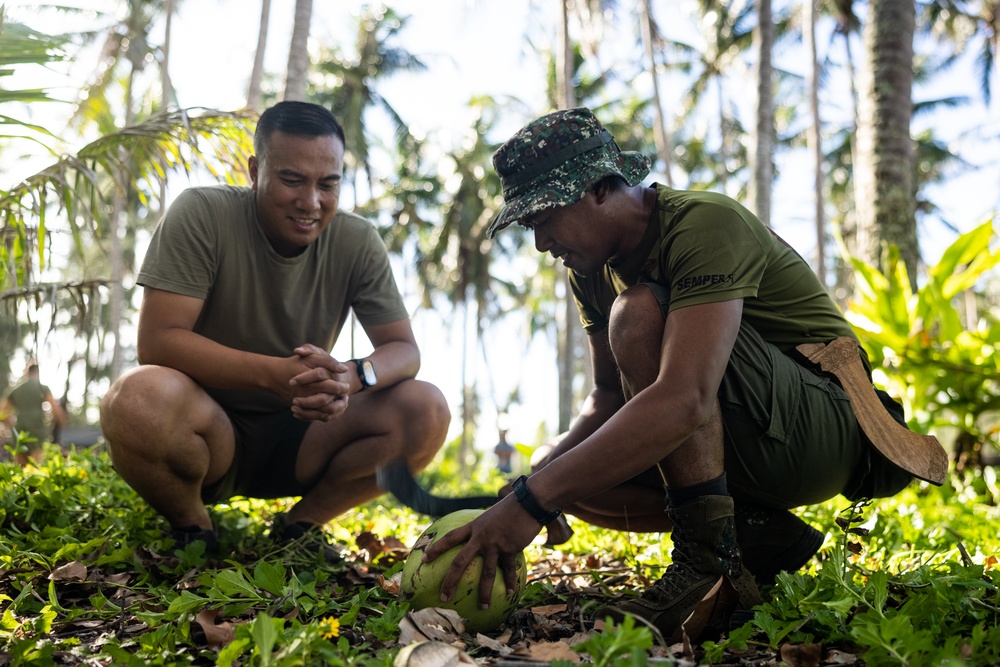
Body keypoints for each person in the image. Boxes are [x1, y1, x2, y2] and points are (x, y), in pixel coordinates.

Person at [422, 107, 914, 641]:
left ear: (598, 189)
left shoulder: (704, 224)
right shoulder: (590, 269)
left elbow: (685, 400)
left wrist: (532, 503)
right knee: (571, 480)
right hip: (754, 434)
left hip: (827, 429)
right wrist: (534, 483)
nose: (541, 243)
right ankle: (758, 538)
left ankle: (709, 566)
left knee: (637, 315)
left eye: (543, 218)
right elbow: (608, 396)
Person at [99, 101, 450, 557]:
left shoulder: (356, 240)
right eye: (291, 180)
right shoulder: (202, 213)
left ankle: (300, 526)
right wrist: (274, 375)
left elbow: (403, 349)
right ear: (254, 170)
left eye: (328, 184)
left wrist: (352, 375)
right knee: (135, 397)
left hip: (305, 437)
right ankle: (193, 528)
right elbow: (159, 340)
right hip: (207, 429)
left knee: (426, 408)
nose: (311, 202)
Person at [1, 363, 68, 466]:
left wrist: (11, 424)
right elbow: (56, 411)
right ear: (38, 373)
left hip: (19, 429)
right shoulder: (42, 388)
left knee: (20, 467)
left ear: (27, 372)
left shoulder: (16, 390)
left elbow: (2, 413)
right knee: (36, 466)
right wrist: (61, 422)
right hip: (36, 428)